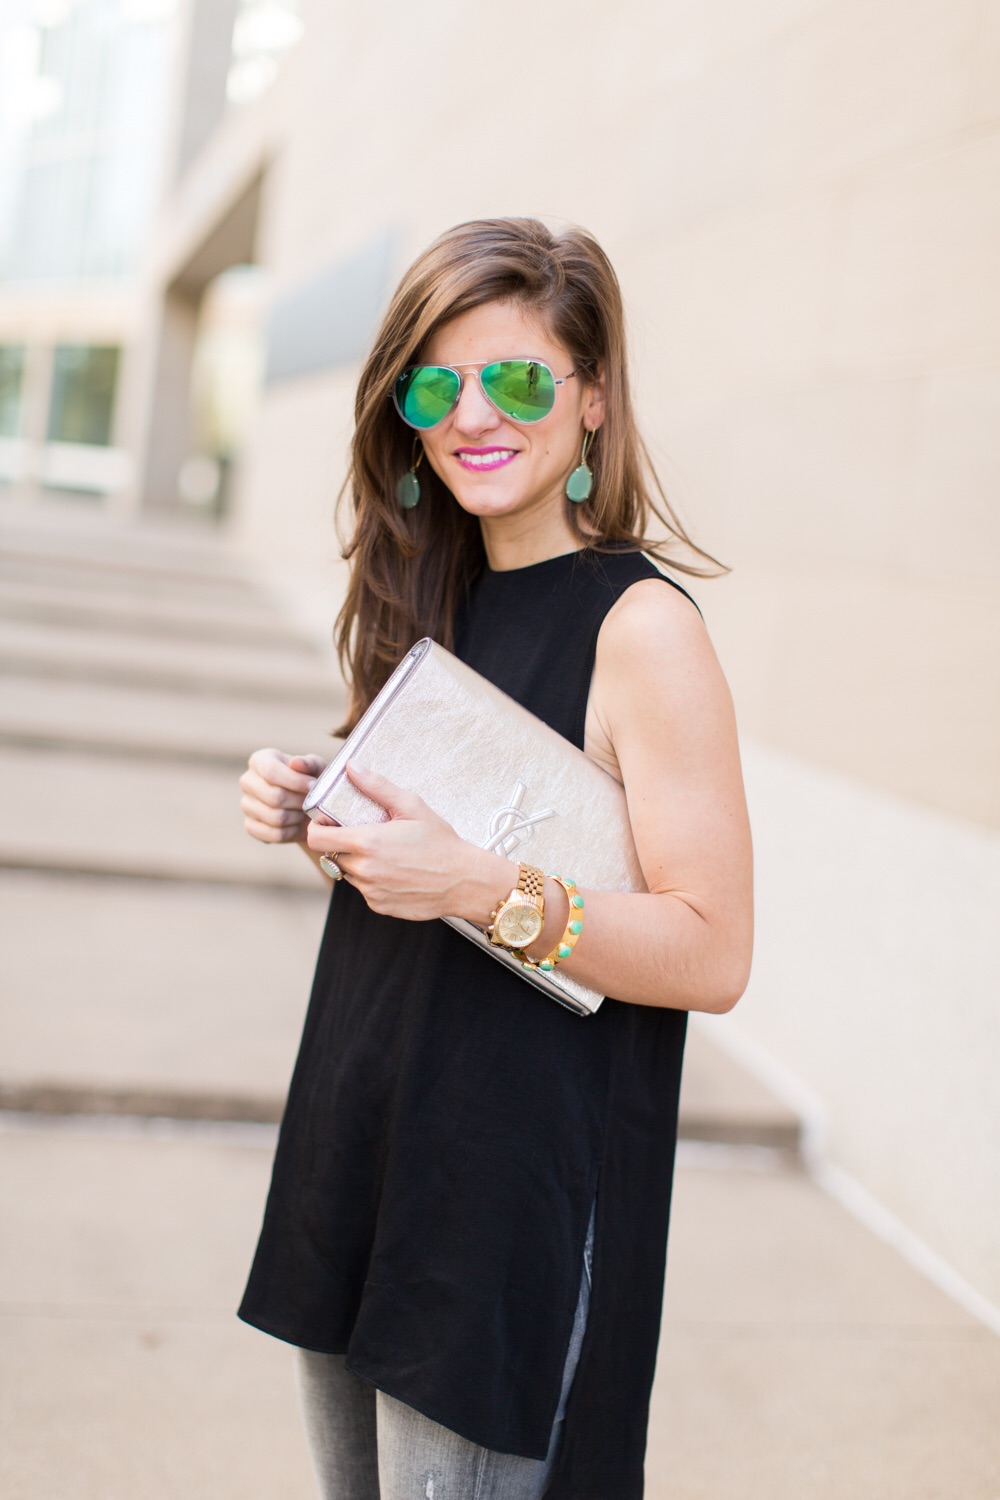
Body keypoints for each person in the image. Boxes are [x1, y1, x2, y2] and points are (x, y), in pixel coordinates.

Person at [237, 217, 753, 1500]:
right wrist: (322, 815)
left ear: (589, 403)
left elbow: (712, 948)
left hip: (504, 1191)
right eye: (436, 383)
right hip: (363, 1143)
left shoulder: (641, 630)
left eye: (518, 379)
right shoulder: (424, 594)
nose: (475, 411)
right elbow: (413, 873)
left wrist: (473, 883)